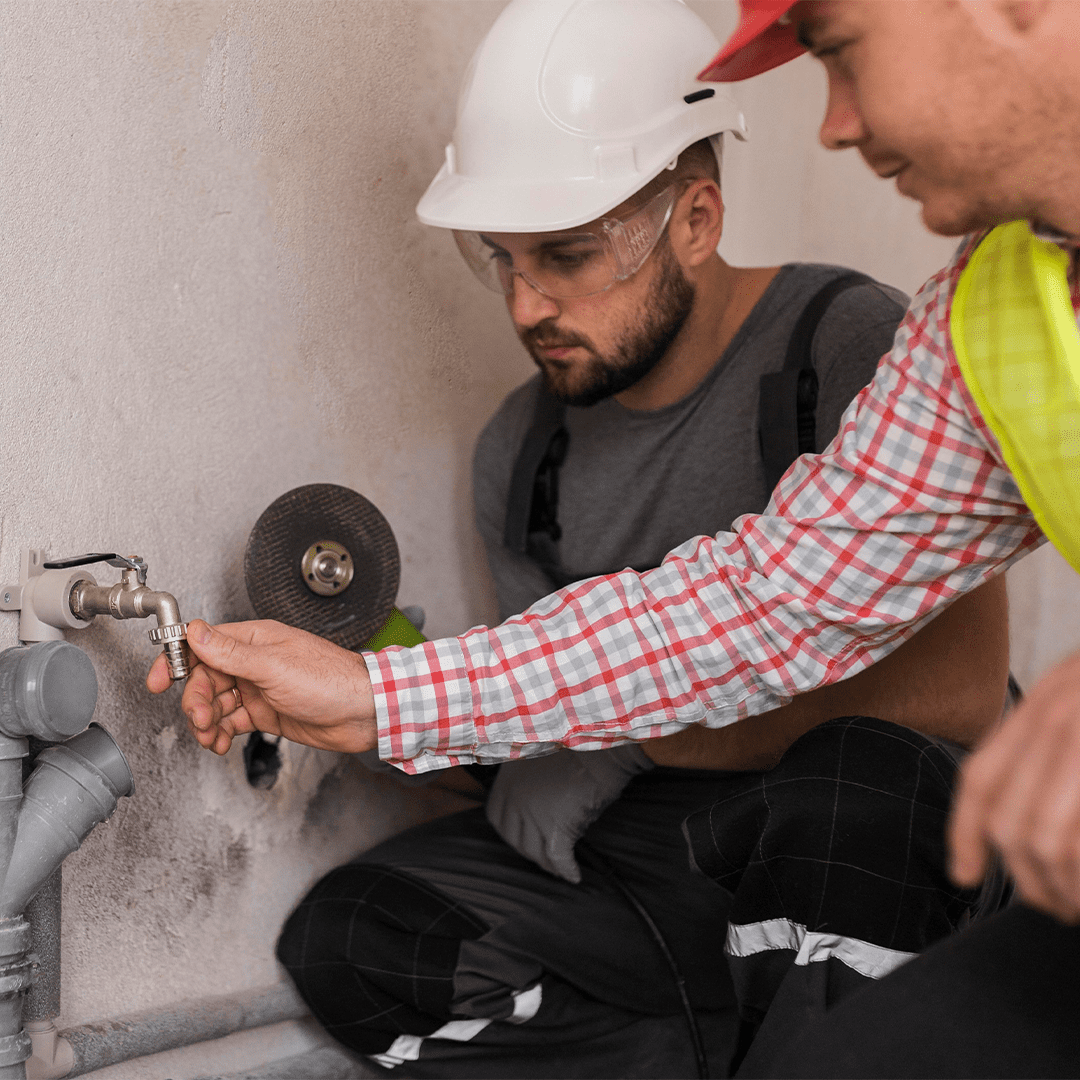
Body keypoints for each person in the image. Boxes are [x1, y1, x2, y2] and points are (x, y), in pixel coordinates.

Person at [148, 0, 1080, 1070]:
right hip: (673, 848)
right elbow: (767, 603)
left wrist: (626, 741)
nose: (831, 124)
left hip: (873, 826)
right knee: (360, 933)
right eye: (500, 258)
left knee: (851, 807)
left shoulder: (842, 340)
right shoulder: (992, 313)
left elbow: (943, 699)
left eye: (839, 53)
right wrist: (376, 697)